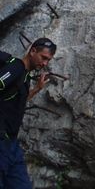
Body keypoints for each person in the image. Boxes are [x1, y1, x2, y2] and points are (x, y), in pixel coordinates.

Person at [0, 38, 57, 189]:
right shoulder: (16, 67)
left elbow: (15, 102)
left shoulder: (24, 76)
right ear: (32, 51)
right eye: (43, 57)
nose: (45, 63)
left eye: (48, 60)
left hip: (11, 145)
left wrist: (36, 89)